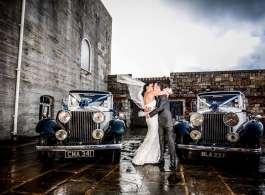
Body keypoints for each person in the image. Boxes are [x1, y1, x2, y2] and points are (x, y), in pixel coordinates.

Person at [131, 82, 169, 165]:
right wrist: (167, 91)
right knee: (153, 135)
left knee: (151, 135)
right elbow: (163, 93)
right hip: (152, 117)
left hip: (149, 117)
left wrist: (146, 109)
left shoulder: (145, 94)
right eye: (151, 86)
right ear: (147, 87)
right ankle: (144, 156)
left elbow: (147, 106)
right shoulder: (151, 93)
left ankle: (150, 155)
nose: (153, 87)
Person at [146, 81, 176, 168]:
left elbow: (160, 108)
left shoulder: (163, 96)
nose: (153, 88)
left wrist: (150, 114)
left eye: (154, 86)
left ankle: (173, 161)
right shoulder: (158, 96)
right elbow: (156, 107)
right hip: (160, 121)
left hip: (167, 121)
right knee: (160, 140)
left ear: (158, 87)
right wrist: (148, 109)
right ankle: (161, 158)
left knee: (170, 141)